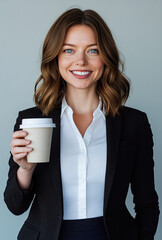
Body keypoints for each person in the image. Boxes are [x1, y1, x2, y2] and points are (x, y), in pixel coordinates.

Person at [4, 8, 159, 240]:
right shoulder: (32, 121)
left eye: (93, 50)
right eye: (69, 50)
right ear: (56, 57)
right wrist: (25, 170)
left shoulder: (133, 124)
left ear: (106, 57)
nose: (81, 61)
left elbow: (147, 203)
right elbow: (15, 206)